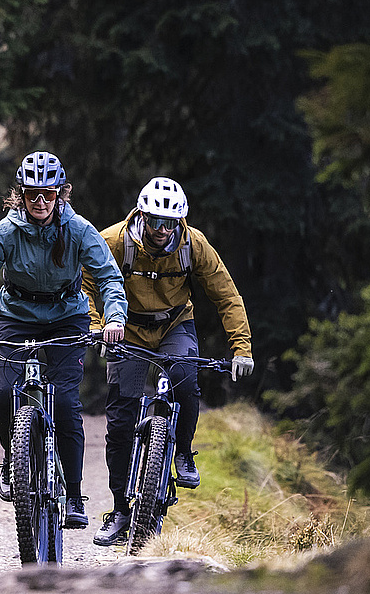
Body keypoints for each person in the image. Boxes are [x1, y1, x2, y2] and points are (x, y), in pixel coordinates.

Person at [0, 151, 128, 530]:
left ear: (62, 194)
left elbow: (108, 277)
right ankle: (16, 457)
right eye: (32, 194)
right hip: (17, 318)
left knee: (67, 404)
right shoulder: (5, 233)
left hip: (68, 319)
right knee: (5, 395)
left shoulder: (79, 230)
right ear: (20, 195)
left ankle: (74, 496)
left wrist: (115, 318)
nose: (40, 202)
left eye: (48, 194)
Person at [81, 177, 253, 546]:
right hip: (125, 329)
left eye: (169, 222)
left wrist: (242, 349)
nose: (161, 230)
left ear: (180, 222)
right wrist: (98, 327)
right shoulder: (114, 241)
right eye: (154, 220)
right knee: (122, 418)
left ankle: (182, 452)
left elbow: (227, 296)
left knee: (185, 378)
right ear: (141, 214)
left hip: (175, 324)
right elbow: (87, 285)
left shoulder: (195, 246)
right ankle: (120, 510)